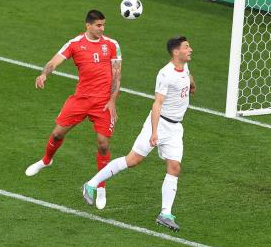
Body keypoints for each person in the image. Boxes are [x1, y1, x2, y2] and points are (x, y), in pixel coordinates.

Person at [82, 36, 195, 231]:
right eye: (187, 47)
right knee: (132, 160)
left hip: (176, 128)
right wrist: (153, 132)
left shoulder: (184, 66)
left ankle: (165, 214)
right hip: (160, 124)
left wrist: (191, 85)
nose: (190, 49)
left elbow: (187, 77)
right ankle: (91, 184)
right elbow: (157, 103)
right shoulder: (165, 74)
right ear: (176, 52)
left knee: (174, 167)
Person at [25, 10, 122, 210]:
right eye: (98, 25)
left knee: (103, 144)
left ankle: (101, 186)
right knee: (57, 133)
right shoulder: (75, 44)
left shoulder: (112, 45)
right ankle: (46, 160)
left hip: (103, 102)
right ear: (88, 25)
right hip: (80, 99)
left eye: (104, 25)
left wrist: (113, 100)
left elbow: (117, 75)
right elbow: (54, 61)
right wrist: (44, 74)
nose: (102, 29)